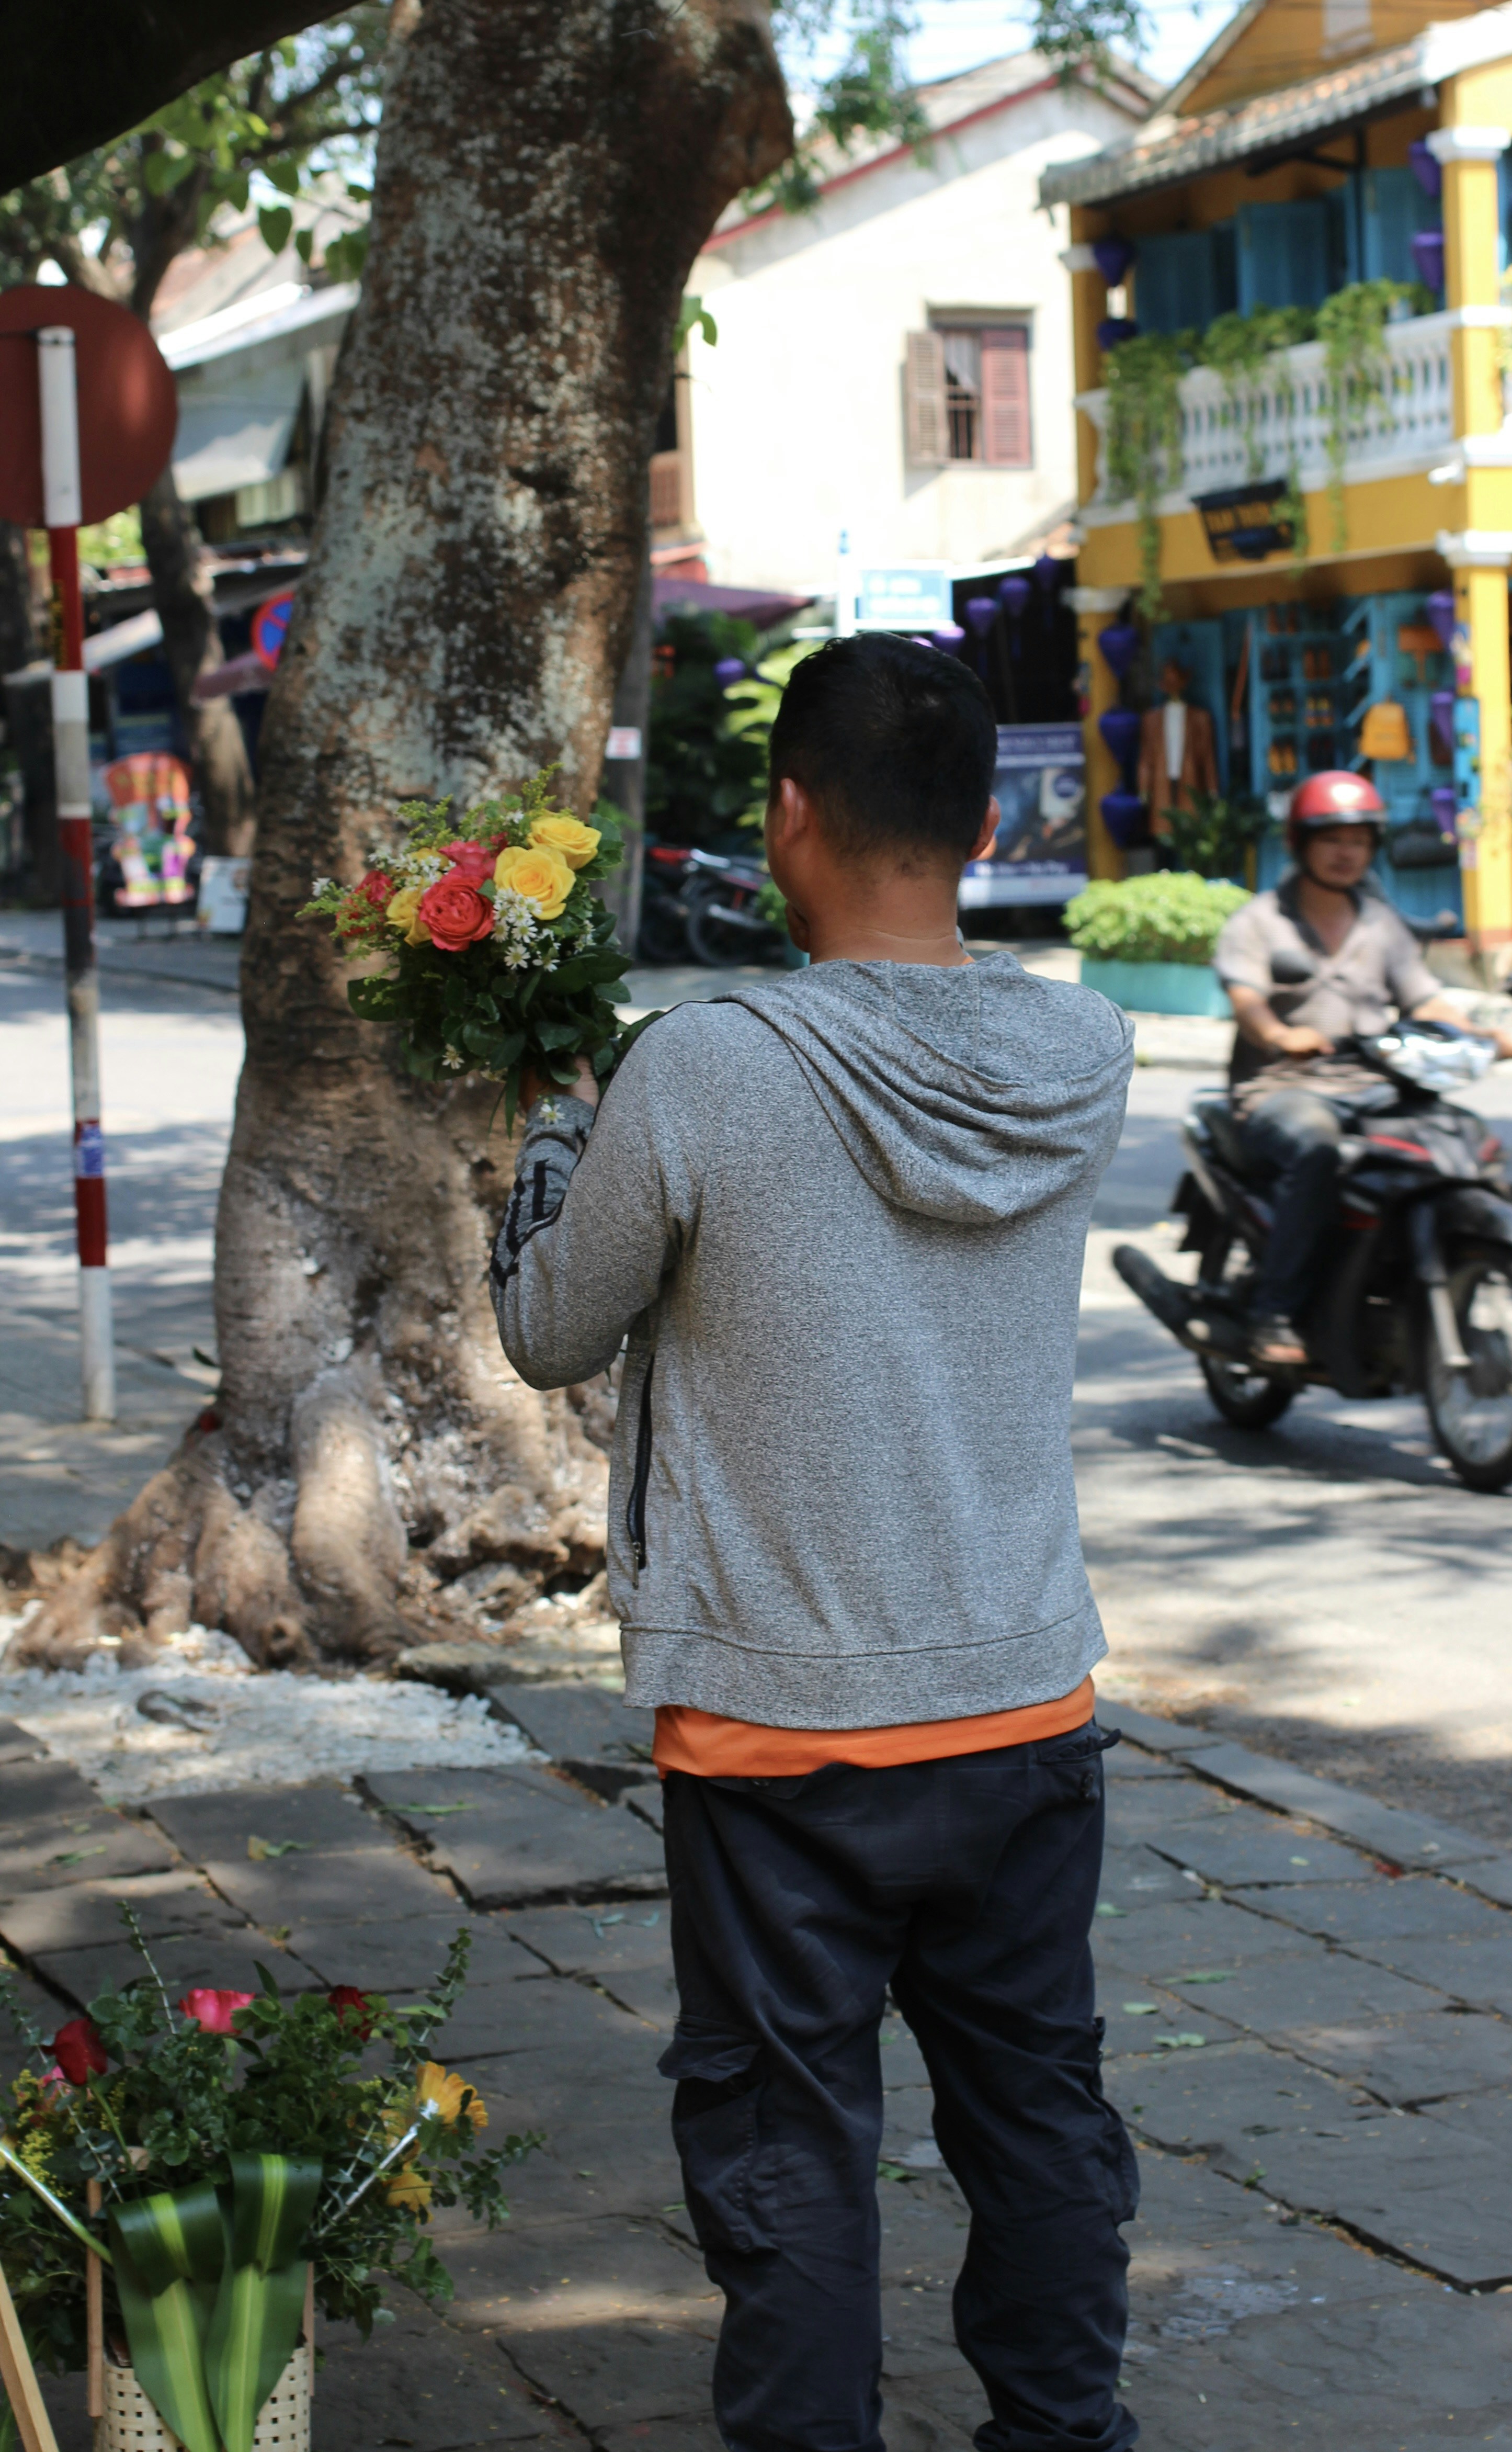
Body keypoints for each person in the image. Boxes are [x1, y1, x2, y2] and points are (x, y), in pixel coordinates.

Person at [490, 634, 1139, 2452]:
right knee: (1038, 2122)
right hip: (1020, 1707)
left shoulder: (701, 1071)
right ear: (985, 815)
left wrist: (552, 1125)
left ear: (784, 818)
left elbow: (547, 1325)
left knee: (787, 2162)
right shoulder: (1081, 1049)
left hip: (779, 1739)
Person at [1212, 770, 1512, 1371]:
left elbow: (1424, 998)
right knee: (1318, 1150)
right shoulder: (1258, 922)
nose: (1347, 851)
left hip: (1375, 1085)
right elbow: (1247, 1001)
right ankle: (1274, 1311)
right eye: (1332, 838)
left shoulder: (1382, 924)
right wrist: (1281, 1035)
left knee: (1466, 1140)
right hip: (1282, 1089)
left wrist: (1480, 1033)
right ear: (1300, 843)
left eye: (1359, 839)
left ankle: (1454, 1269)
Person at [1139, 657, 1218, 843]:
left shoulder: (1200, 718)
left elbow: (1208, 757)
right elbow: (1147, 756)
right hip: (1162, 777)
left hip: (1189, 777)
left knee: (1190, 823)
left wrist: (1212, 787)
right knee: (1164, 825)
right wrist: (1144, 786)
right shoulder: (1152, 719)